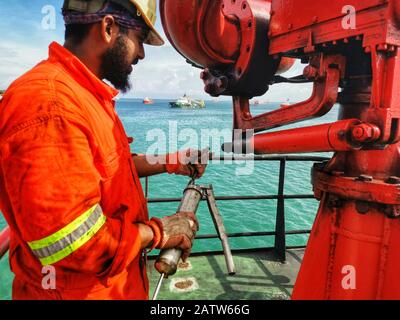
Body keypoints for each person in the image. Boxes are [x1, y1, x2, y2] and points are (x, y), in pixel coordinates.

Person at [0, 0, 208, 300]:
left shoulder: (84, 95)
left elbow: (110, 166)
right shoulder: (50, 105)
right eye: (139, 40)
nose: (141, 54)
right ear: (108, 28)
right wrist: (158, 232)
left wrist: (172, 161)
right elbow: (74, 244)